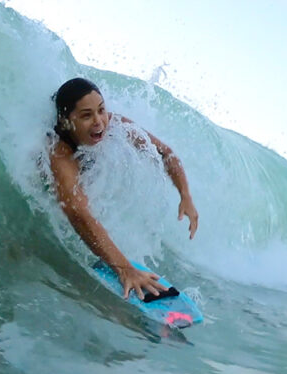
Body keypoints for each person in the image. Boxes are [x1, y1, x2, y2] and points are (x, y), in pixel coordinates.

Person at [47, 78, 198, 300]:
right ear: (66, 120)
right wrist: (125, 270)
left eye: (101, 110)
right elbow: (77, 213)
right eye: (87, 115)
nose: (99, 121)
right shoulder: (60, 153)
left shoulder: (114, 124)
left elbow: (166, 153)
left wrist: (185, 195)